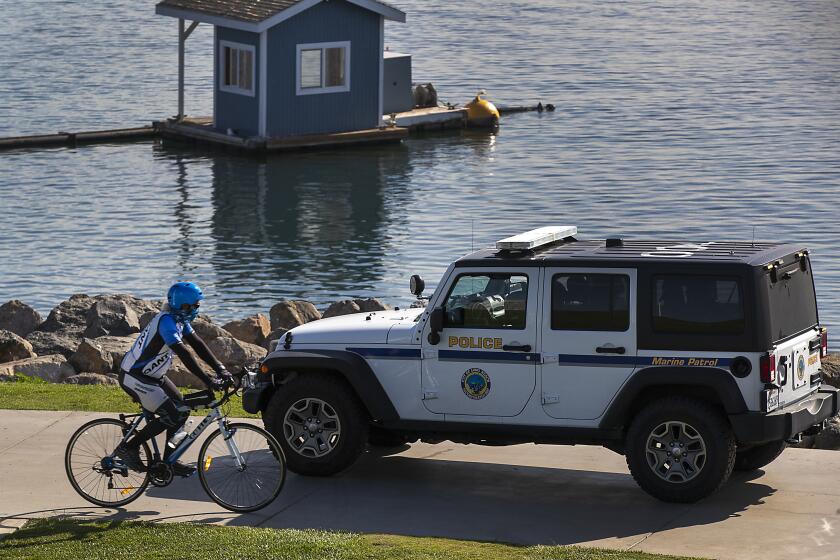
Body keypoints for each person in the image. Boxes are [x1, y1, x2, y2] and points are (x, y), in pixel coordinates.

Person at [115, 282, 231, 475]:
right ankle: (128, 447)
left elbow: (198, 345)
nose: (196, 309)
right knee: (173, 414)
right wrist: (208, 380)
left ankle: (170, 461)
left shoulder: (179, 320)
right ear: (181, 305)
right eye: (192, 305)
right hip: (134, 377)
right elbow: (185, 354)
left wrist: (221, 369)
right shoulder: (167, 322)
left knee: (182, 409)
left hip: (153, 377)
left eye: (197, 305)